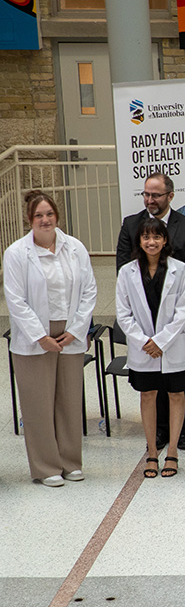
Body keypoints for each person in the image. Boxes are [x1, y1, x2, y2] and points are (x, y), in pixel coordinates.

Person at [4, 191, 97, 487]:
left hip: (70, 332)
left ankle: (71, 462)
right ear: (29, 220)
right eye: (38, 216)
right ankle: (46, 467)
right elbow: (15, 300)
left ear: (57, 216)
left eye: (49, 214)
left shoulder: (75, 247)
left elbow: (89, 290)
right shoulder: (17, 253)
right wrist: (40, 336)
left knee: (69, 400)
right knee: (38, 403)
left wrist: (76, 329)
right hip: (35, 336)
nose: (45, 220)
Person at [116, 172, 185, 451]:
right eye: (146, 194)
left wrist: (167, 283)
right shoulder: (131, 225)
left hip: (176, 314)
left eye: (156, 195)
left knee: (176, 380)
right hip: (143, 315)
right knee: (151, 383)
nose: (150, 200)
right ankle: (158, 432)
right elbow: (123, 267)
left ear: (170, 196)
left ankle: (181, 431)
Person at [115, 219, 185, 479]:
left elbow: (184, 311)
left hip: (172, 346)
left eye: (157, 237)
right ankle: (151, 452)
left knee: (175, 395)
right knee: (147, 395)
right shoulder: (127, 272)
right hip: (143, 348)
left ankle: (172, 451)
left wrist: (161, 341)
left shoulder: (179, 269)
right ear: (139, 241)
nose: (152, 242)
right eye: (146, 237)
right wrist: (144, 341)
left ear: (165, 240)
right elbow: (123, 315)